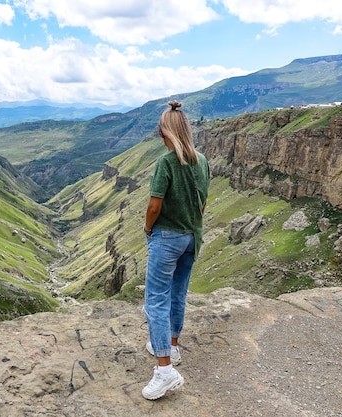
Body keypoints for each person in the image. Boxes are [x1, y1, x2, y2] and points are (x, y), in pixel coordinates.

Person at [141, 100, 210, 400]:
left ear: (165, 132)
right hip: (192, 237)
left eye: (160, 130)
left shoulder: (165, 164)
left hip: (167, 238)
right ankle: (172, 346)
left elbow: (154, 205)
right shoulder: (203, 161)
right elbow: (202, 204)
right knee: (178, 294)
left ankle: (164, 370)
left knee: (156, 300)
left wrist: (147, 229)